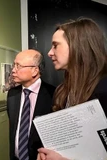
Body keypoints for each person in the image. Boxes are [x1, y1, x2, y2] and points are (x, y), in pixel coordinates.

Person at [37, 17, 107, 160]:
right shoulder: (62, 91)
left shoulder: (104, 90)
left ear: (78, 45)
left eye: (55, 45)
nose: (50, 53)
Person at [7, 49, 56, 160]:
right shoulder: (12, 94)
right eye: (14, 65)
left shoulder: (54, 95)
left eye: (18, 66)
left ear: (35, 70)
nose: (13, 70)